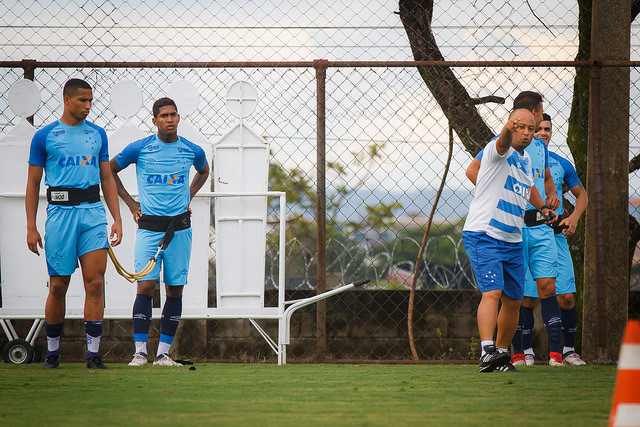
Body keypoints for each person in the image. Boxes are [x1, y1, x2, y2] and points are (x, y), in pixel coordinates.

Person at [26, 78, 123, 370]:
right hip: (60, 215)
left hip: (93, 214)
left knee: (95, 283)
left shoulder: (98, 134)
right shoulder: (44, 136)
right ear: (67, 100)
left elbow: (107, 177)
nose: (88, 106)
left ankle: (93, 355)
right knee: (58, 286)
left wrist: (117, 218)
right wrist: (31, 226)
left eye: (91, 100)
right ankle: (52, 353)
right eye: (83, 100)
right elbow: (32, 184)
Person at [466, 91, 565, 366]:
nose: (526, 133)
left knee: (514, 299)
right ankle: (487, 349)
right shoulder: (498, 150)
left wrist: (544, 207)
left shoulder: (524, 160)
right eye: (519, 127)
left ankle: (499, 353)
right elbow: (502, 142)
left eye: (530, 129)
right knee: (493, 292)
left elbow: (529, 186)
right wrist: (507, 130)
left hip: (512, 238)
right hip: (484, 234)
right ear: (510, 126)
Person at [110, 97, 209, 366]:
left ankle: (163, 354)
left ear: (178, 118)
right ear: (155, 121)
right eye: (164, 115)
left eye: (173, 115)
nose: (169, 119)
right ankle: (140, 352)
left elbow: (203, 171)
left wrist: (188, 194)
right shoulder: (140, 148)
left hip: (179, 229)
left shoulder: (191, 150)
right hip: (149, 228)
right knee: (145, 286)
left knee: (174, 289)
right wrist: (131, 204)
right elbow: (109, 170)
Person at [521, 113, 588, 365]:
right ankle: (524, 352)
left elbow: (582, 196)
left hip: (555, 235)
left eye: (547, 129)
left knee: (566, 296)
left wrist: (574, 219)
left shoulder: (561, 164)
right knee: (527, 296)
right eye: (538, 129)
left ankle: (568, 351)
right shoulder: (519, 159)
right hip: (528, 230)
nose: (542, 133)